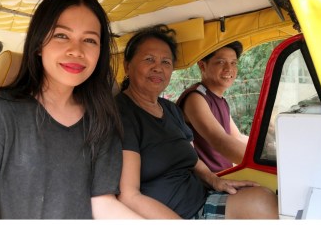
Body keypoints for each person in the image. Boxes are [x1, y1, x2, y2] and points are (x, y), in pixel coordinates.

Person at [0, 0, 140, 219]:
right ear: (39, 43)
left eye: (90, 40)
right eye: (62, 35)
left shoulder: (101, 121)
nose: (76, 51)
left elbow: (102, 202)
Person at [115, 25, 278, 219]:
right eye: (149, 59)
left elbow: (193, 158)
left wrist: (215, 181)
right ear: (127, 66)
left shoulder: (170, 109)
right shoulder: (122, 114)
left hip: (201, 197)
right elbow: (129, 196)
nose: (158, 67)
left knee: (265, 198)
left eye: (166, 62)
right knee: (261, 205)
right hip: (174, 214)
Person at [177, 41, 249, 172]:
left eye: (233, 63)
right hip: (208, 183)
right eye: (221, 62)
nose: (229, 68)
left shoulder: (220, 100)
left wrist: (266, 151)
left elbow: (236, 137)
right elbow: (220, 141)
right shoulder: (196, 98)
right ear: (202, 66)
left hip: (226, 176)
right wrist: (259, 160)